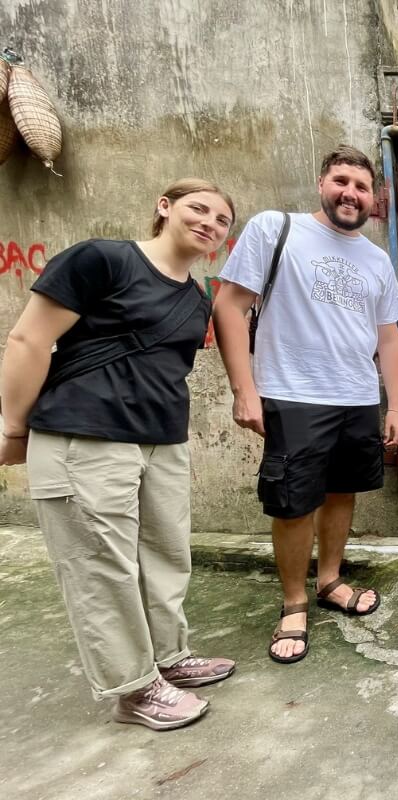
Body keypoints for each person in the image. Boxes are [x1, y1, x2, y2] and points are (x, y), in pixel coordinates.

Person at [0, 179, 239, 731]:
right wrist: (14, 428)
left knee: (165, 553)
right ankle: (132, 689)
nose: (209, 223)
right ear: (164, 207)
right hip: (85, 435)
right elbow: (29, 341)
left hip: (159, 440)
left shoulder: (195, 297)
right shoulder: (103, 259)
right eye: (197, 209)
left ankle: (168, 657)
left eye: (222, 220)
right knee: (101, 566)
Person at [212, 145, 398, 665]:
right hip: (294, 393)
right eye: (342, 181)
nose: (351, 193)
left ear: (374, 198)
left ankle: (329, 581)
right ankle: (293, 602)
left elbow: (388, 337)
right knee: (295, 503)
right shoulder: (277, 229)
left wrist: (393, 407)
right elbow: (229, 305)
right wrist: (243, 389)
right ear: (322, 182)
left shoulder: (377, 259)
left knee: (343, 493)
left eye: (362, 187)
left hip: (357, 396)